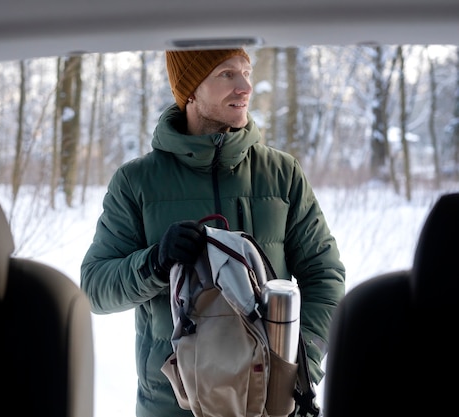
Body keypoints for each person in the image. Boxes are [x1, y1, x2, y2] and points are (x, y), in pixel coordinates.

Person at [80, 48, 346, 417]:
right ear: (190, 90)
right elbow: (95, 288)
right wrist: (155, 263)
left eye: (247, 72)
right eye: (226, 74)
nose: (245, 87)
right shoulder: (136, 182)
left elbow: (326, 277)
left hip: (268, 403)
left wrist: (299, 365)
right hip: (171, 406)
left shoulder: (282, 174)